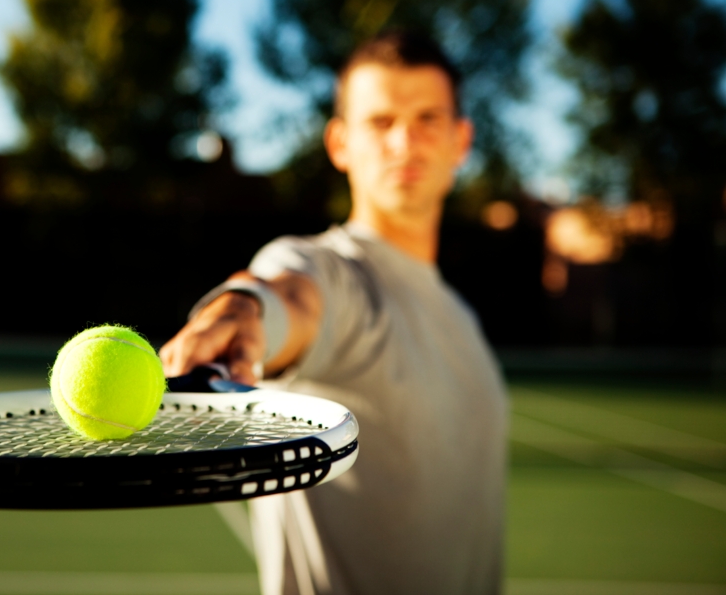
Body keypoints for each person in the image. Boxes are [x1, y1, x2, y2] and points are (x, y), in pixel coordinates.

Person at [160, 30, 508, 595]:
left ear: (460, 141)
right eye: (381, 122)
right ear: (340, 143)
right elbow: (291, 294)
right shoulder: (331, 270)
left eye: (427, 119)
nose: (405, 142)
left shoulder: (461, 317)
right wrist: (248, 307)